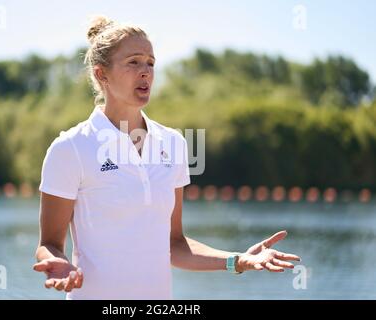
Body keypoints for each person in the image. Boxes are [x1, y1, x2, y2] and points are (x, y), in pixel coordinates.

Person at [33, 15, 301, 300]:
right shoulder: (70, 148)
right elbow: (49, 243)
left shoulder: (173, 143)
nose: (146, 71)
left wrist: (237, 260)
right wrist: (58, 265)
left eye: (150, 62)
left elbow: (174, 244)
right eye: (134, 62)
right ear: (102, 75)